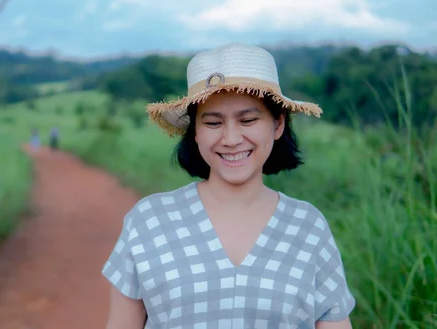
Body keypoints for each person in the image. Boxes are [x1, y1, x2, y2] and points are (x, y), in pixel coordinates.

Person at [101, 43, 355, 329]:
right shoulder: (149, 220)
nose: (231, 138)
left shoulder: (308, 227)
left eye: (248, 120)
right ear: (194, 131)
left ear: (278, 124)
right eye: (212, 123)